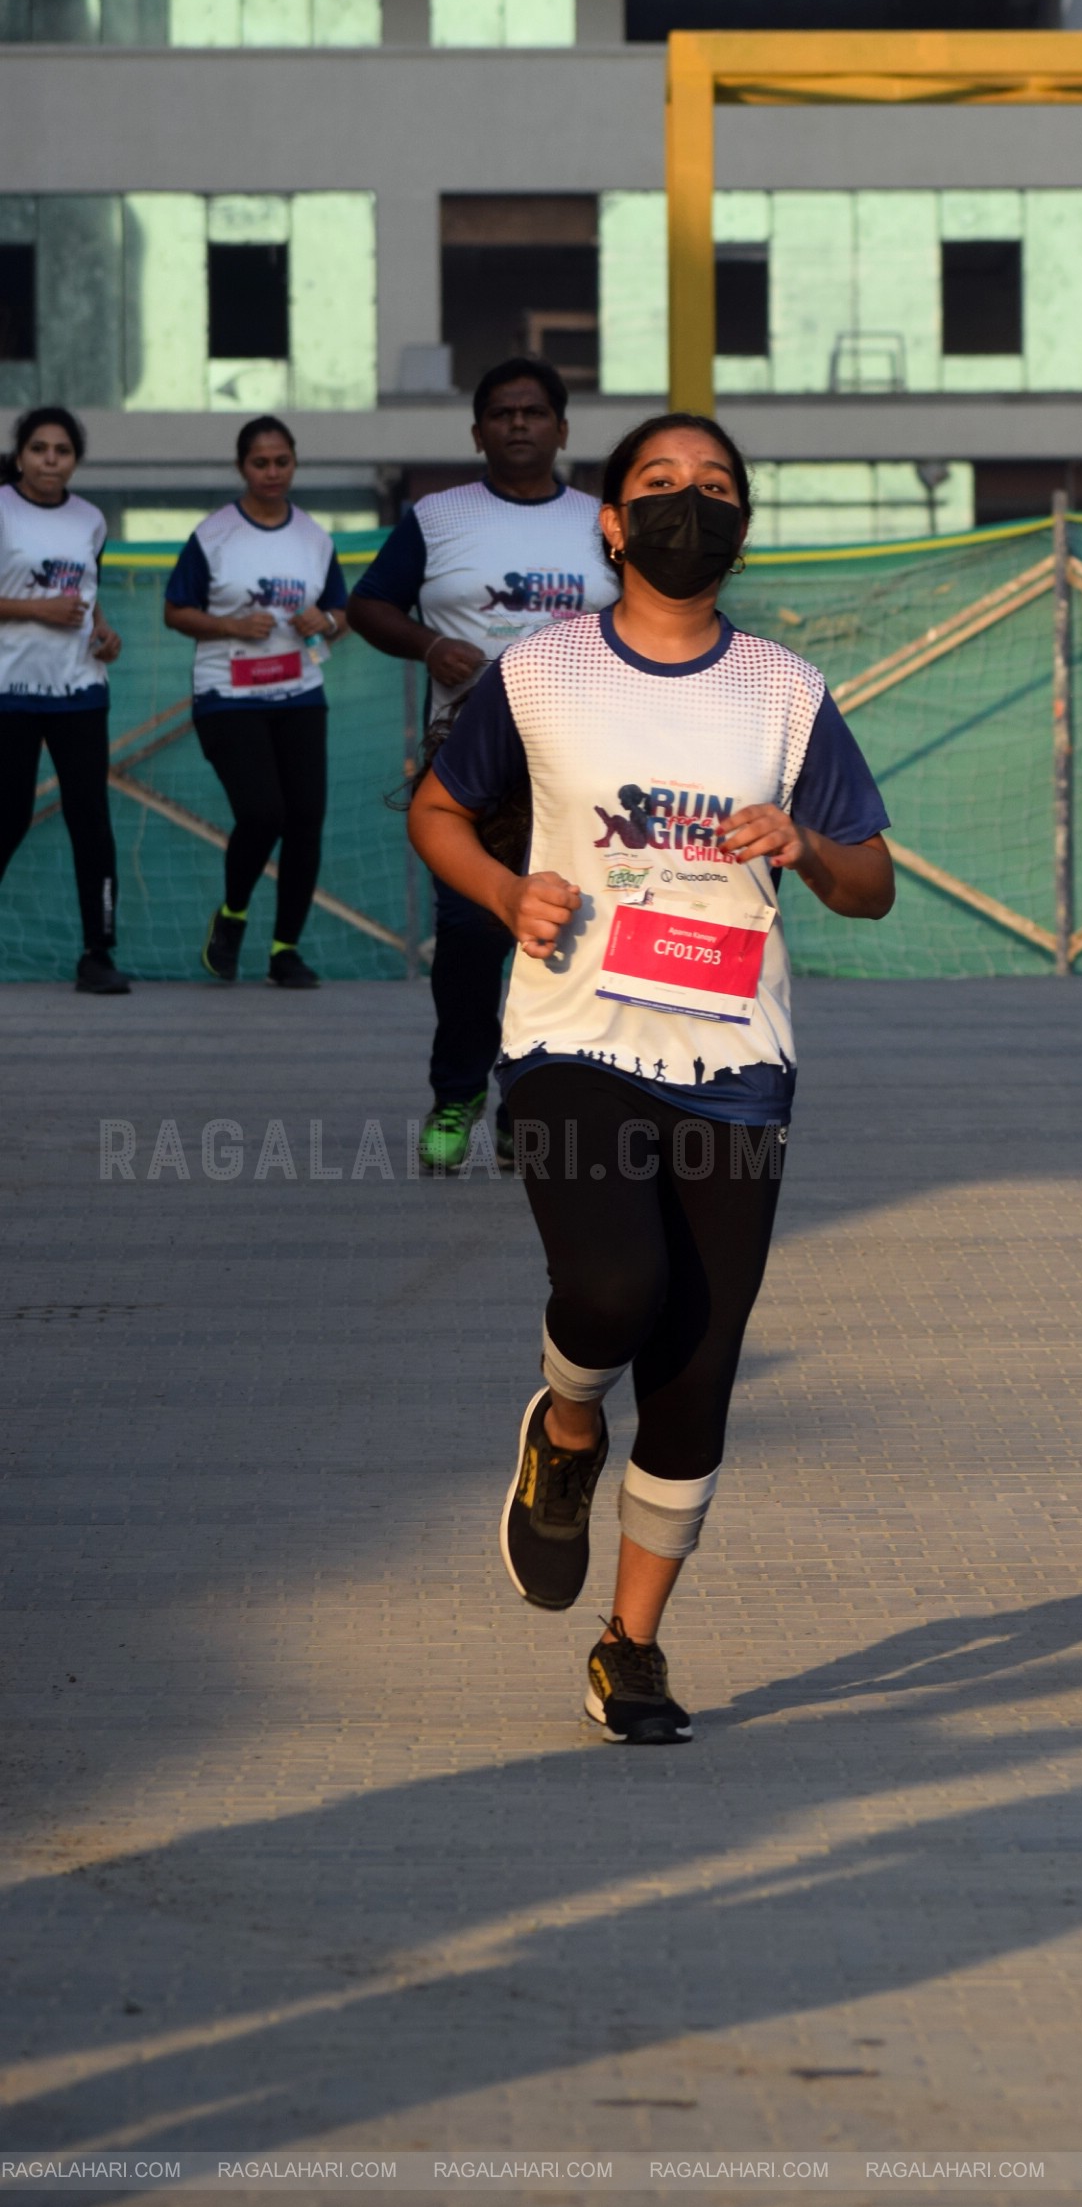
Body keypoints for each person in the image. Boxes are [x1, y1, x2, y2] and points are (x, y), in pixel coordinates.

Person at [408, 411, 893, 1744]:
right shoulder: (544, 674)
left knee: (695, 1365)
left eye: (718, 486)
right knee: (618, 1287)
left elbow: (872, 884)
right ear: (609, 524)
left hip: (735, 1060)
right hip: (576, 1036)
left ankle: (631, 1647)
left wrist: (806, 842)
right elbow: (436, 811)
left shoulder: (786, 692)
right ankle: (565, 1429)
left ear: (743, 521)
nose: (693, 504)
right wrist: (510, 892)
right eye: (662, 486)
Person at [348, 356, 617, 1173]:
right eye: (501, 414)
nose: (519, 425)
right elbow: (366, 605)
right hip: (472, 765)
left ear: (563, 429)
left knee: (569, 937)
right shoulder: (437, 518)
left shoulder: (607, 521)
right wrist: (430, 644)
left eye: (535, 412)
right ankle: (458, 1092)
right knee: (469, 938)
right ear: (478, 432)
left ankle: (529, 1100)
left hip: (587, 765)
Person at [162, 416, 347, 989]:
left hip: (298, 692)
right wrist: (231, 625)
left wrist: (329, 620)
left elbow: (340, 614)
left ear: (295, 463)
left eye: (282, 461)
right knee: (264, 812)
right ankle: (234, 913)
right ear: (242, 467)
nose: (272, 473)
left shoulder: (315, 538)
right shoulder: (215, 534)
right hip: (228, 696)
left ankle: (284, 950)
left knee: (306, 820)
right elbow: (175, 611)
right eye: (260, 463)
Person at [0, 405, 128, 994]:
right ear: (21, 455)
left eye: (63, 451)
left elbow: (87, 592)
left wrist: (103, 632)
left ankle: (98, 953)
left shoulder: (90, 519)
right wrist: (37, 610)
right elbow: (46, 601)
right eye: (39, 449)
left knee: (90, 820)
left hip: (79, 689)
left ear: (75, 459)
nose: (51, 460)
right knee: (9, 816)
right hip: (11, 691)